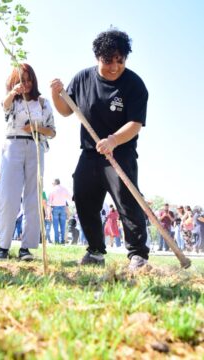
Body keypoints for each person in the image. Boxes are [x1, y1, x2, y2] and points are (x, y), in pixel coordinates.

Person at [51, 29, 149, 270]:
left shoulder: (134, 84)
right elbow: (66, 110)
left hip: (120, 152)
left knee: (127, 202)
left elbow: (135, 124)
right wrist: (56, 94)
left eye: (120, 60)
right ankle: (95, 250)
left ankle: (138, 254)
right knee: (83, 199)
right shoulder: (83, 79)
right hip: (90, 152)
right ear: (97, 58)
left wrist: (114, 140)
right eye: (108, 61)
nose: (115, 66)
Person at [0, 63, 56, 261]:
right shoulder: (13, 100)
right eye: (23, 80)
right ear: (16, 81)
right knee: (8, 196)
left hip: (36, 146)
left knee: (33, 197)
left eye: (30, 80)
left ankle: (26, 247)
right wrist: (13, 92)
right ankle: (3, 245)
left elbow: (52, 131)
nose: (27, 84)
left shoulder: (43, 103)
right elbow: (4, 107)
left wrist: (37, 127)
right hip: (13, 146)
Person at [48, 178, 71, 244]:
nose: (52, 184)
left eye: (52, 183)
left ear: (55, 183)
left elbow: (49, 203)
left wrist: (48, 214)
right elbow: (70, 197)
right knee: (63, 225)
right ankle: (62, 240)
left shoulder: (52, 190)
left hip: (55, 208)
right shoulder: (64, 189)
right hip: (63, 208)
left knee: (55, 226)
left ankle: (57, 241)